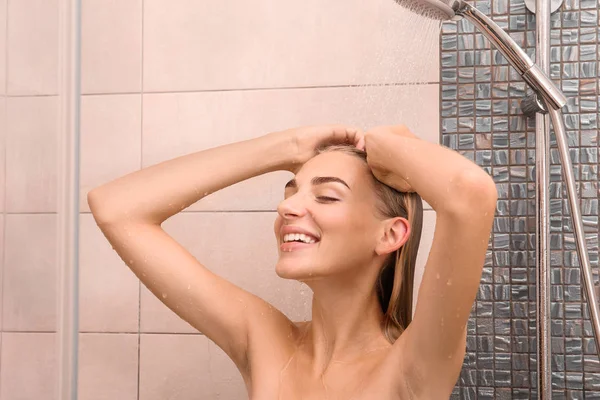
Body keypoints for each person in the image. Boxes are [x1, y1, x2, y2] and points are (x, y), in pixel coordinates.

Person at [88, 125, 497, 399]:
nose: (287, 207)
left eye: (326, 196)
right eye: (290, 191)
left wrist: (387, 144)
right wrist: (287, 147)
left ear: (390, 235)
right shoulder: (265, 339)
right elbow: (115, 208)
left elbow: (470, 194)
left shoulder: (414, 363)